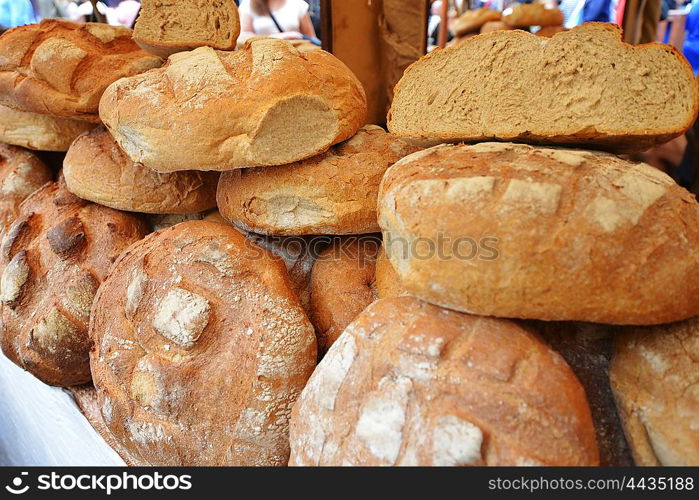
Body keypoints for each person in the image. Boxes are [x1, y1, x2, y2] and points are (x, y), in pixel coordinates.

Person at [238, 0, 316, 41]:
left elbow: (312, 39)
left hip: (293, 58)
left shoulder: (298, 4)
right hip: (263, 59)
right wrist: (273, 38)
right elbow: (243, 37)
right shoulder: (248, 4)